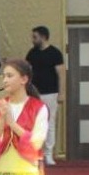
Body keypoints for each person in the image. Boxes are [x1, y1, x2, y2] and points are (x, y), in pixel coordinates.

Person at [25, 25, 64, 165]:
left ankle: (48, 154)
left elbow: (61, 74)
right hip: (34, 94)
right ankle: (35, 152)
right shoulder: (32, 53)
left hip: (51, 93)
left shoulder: (55, 53)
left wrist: (62, 93)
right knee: (33, 124)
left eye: (35, 37)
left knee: (49, 123)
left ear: (43, 37)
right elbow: (26, 71)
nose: (32, 39)